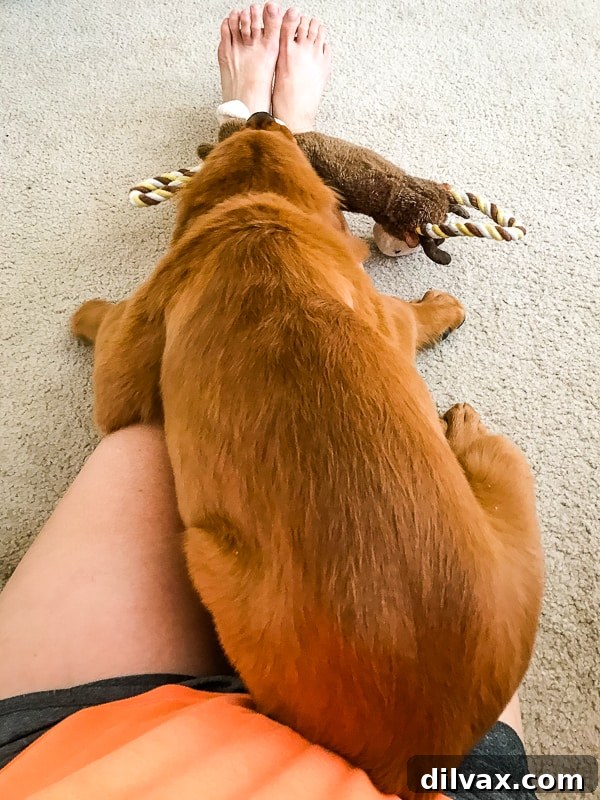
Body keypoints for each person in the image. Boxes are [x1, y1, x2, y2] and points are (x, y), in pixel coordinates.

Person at [0, 6, 532, 798]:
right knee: (392, 406)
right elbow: (380, 329)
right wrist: (421, 315)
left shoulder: (190, 267)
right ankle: (286, 128)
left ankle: (244, 127)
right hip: (471, 775)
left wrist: (110, 320)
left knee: (154, 420)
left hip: (103, 758)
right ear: (341, 228)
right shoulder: (346, 271)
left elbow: (116, 397)